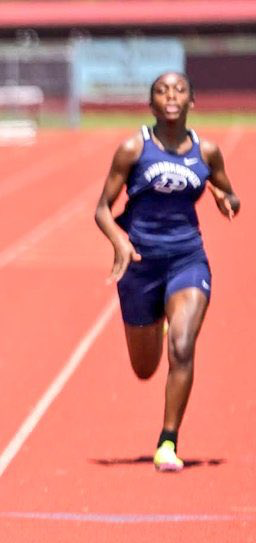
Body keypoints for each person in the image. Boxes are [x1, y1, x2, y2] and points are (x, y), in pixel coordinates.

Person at [95, 71, 240, 472]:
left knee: (182, 346)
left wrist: (227, 200)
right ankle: (158, 316)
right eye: (162, 91)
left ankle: (168, 442)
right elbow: (102, 209)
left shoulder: (207, 152)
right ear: (151, 103)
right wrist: (120, 241)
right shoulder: (133, 149)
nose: (171, 96)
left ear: (192, 100)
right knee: (144, 370)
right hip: (141, 265)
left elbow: (231, 194)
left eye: (179, 90)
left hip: (187, 258)